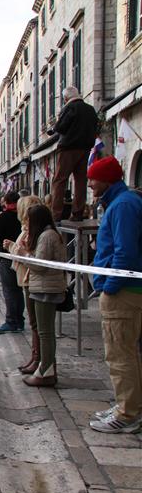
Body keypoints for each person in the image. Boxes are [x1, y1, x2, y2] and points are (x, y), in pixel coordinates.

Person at [85, 156, 142, 433]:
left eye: (93, 178)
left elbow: (125, 251)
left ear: (107, 178)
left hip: (123, 292)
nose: (90, 183)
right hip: (126, 288)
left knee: (120, 354)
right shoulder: (122, 203)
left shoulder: (122, 206)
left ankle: (128, 413)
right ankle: (129, 405)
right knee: (128, 352)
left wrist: (109, 285)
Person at [14, 205, 68, 387]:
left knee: (45, 332)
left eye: (29, 219)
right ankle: (46, 368)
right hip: (46, 286)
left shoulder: (46, 236)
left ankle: (46, 370)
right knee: (45, 331)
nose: (27, 223)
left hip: (45, 288)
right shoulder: (51, 234)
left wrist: (22, 253)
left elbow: (39, 265)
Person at [3, 195, 44, 375]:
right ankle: (35, 358)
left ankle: (40, 361)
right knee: (35, 323)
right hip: (27, 278)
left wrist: (13, 247)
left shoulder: (34, 231)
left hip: (32, 278)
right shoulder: (27, 229)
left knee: (38, 325)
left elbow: (30, 256)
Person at [50, 86, 99, 222]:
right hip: (85, 148)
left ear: (66, 98)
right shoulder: (90, 109)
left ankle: (56, 214)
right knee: (80, 181)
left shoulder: (69, 108)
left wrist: (55, 127)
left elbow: (61, 127)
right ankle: (77, 213)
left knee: (60, 180)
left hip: (68, 147)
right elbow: (96, 126)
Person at [0, 191, 24, 333]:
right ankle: (19, 320)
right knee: (18, 290)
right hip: (22, 256)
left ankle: (11, 320)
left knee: (9, 289)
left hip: (7, 255)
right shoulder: (23, 216)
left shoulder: (4, 216)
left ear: (6, 201)